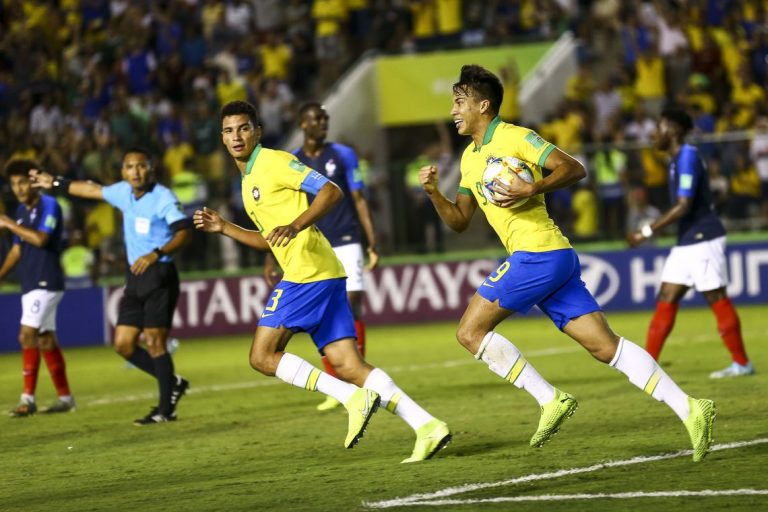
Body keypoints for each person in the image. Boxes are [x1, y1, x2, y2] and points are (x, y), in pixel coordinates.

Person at [418, 64, 715, 462]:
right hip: (553, 257)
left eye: (460, 101)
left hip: (537, 253)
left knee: (469, 332)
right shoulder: (471, 159)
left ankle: (550, 399)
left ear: (483, 105)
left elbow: (574, 167)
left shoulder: (516, 137)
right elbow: (458, 221)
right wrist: (435, 193)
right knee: (605, 347)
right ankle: (691, 408)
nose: (453, 110)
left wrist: (533, 185)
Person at [194, 100, 450, 462]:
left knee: (262, 356)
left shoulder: (274, 162)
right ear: (221, 138)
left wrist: (297, 224)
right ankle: (427, 425)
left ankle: (351, 398)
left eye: (243, 128)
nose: (236, 136)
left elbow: (332, 191)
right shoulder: (249, 177)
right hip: (321, 272)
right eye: (229, 130)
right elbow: (269, 237)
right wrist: (224, 228)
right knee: (348, 365)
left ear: (258, 131)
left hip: (307, 273)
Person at [30, 149, 191, 425]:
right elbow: (91, 190)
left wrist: (155, 253)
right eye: (130, 167)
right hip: (135, 277)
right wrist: (55, 182)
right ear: (123, 172)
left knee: (154, 341)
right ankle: (172, 383)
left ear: (150, 169)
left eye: (141, 166)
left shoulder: (162, 197)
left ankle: (166, 409)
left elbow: (184, 231)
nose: (136, 171)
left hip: (160, 273)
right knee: (123, 344)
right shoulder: (123, 193)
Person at [263, 102, 379, 411]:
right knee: (324, 317)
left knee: (353, 303)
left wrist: (372, 240)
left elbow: (358, 197)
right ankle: (338, 384)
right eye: (315, 119)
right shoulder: (292, 162)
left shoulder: (343, 154)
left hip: (346, 237)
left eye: (325, 118)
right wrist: (270, 258)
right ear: (302, 124)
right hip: (313, 245)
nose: (321, 123)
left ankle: (356, 375)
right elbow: (276, 216)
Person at [628, 108, 754, 378]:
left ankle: (742, 363)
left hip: (703, 237)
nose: (655, 133)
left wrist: (646, 231)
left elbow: (683, 205)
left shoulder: (687, 156)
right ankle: (647, 368)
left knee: (715, 296)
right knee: (667, 296)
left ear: (673, 130)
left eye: (659, 127)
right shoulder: (675, 160)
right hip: (688, 239)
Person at [0, 159, 76, 417]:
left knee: (26, 335)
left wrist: (8, 224)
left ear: (33, 181)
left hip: (47, 280)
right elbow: (18, 249)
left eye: (22, 182)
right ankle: (65, 399)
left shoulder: (50, 205)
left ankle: (27, 399)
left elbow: (41, 239)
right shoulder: (22, 212)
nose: (18, 189)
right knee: (44, 340)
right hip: (30, 282)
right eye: (13, 184)